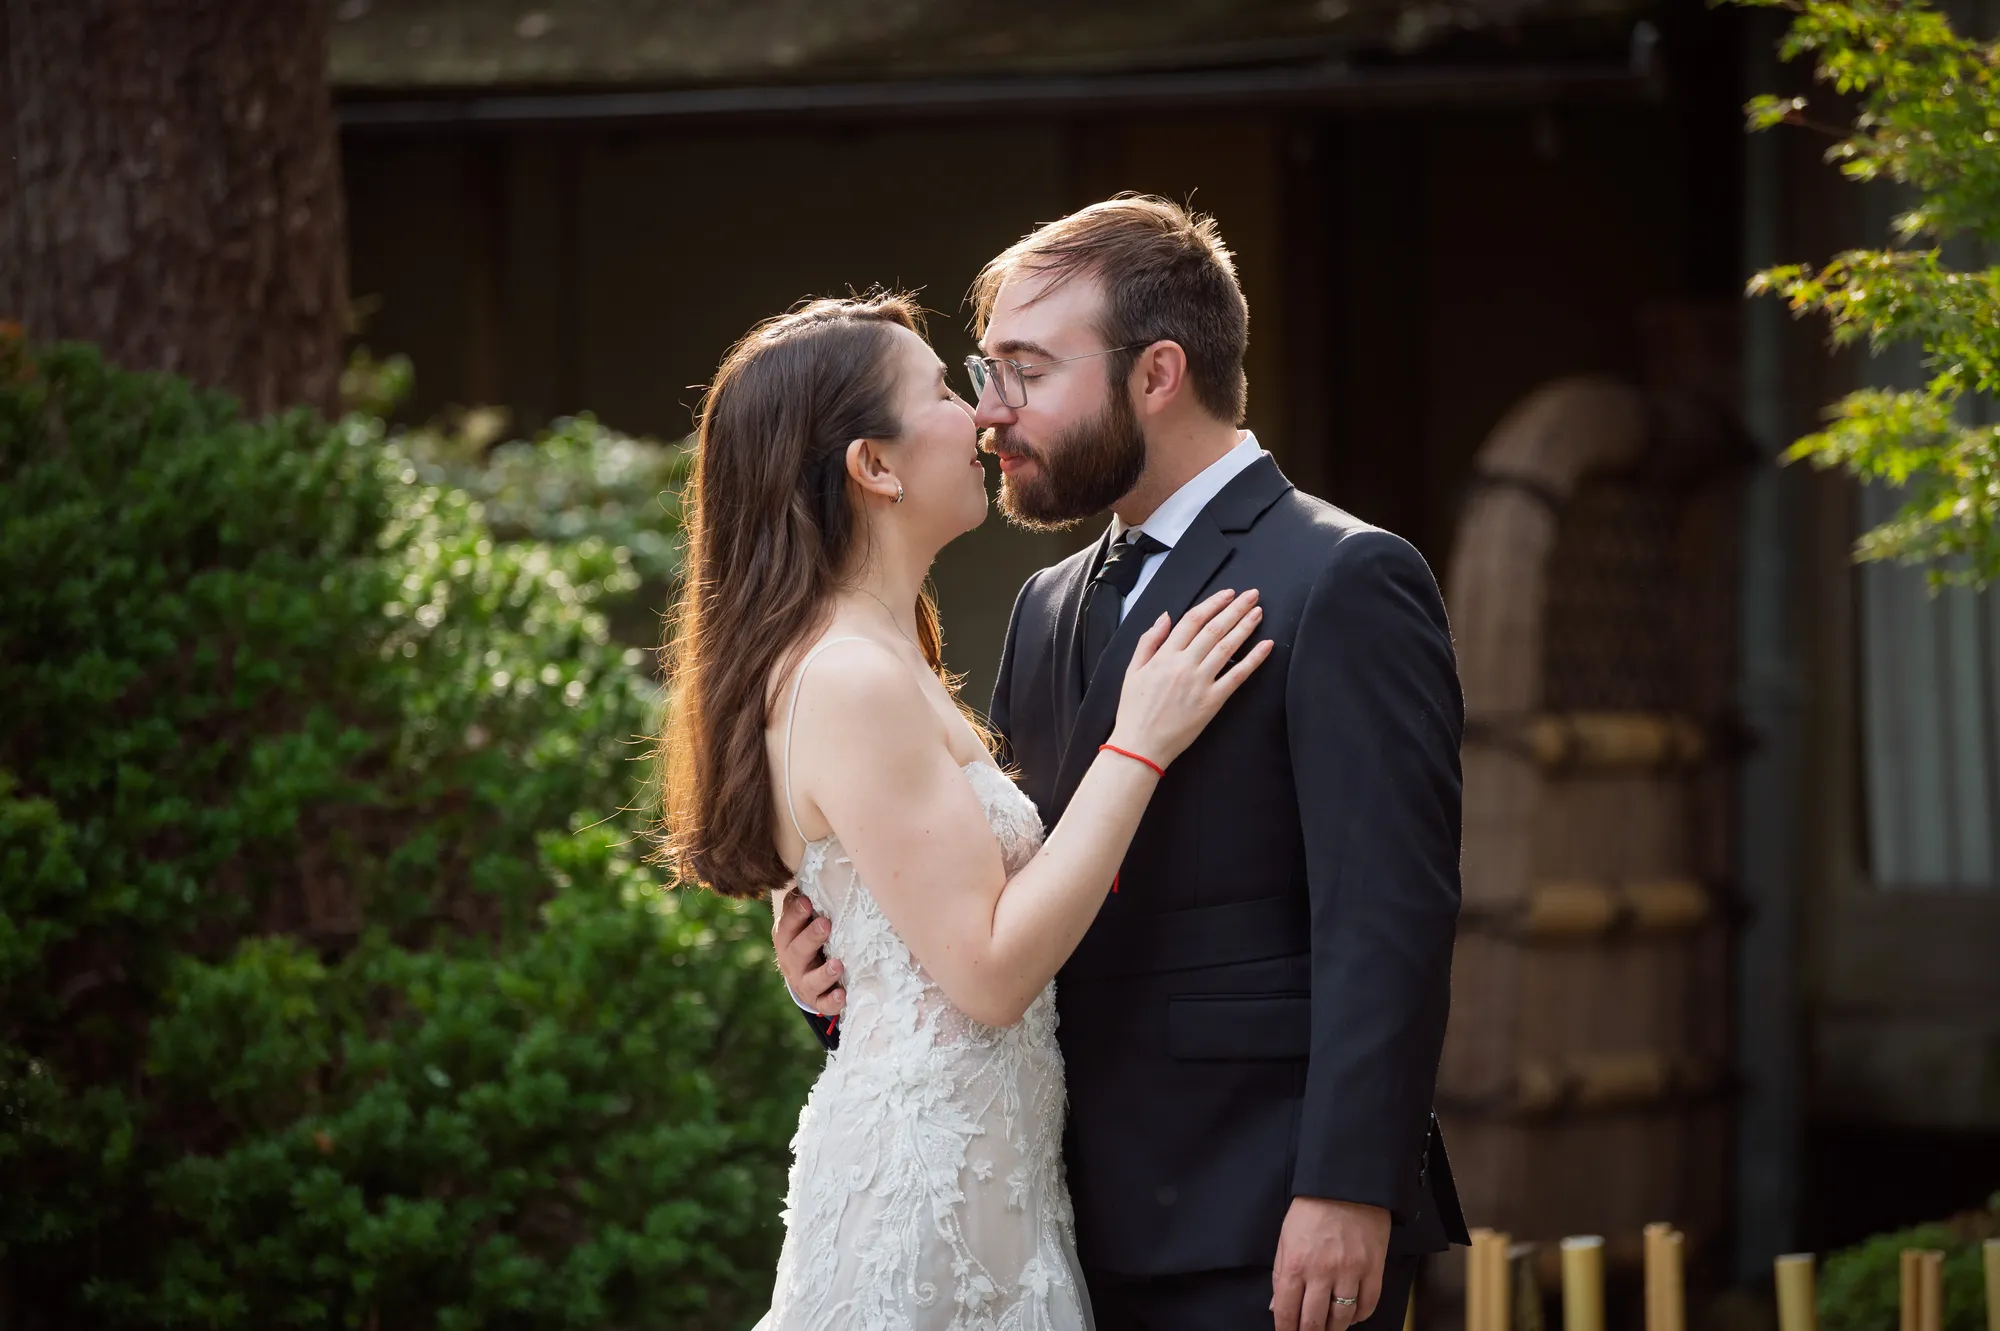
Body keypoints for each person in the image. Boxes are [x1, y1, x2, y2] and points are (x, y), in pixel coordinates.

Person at [777, 196, 1469, 1330]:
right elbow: (998, 902)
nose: (992, 413)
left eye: (1027, 370)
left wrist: (1345, 1182)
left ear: (1156, 373)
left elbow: (1387, 914)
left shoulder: (1341, 578)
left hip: (1261, 1210)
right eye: (981, 371)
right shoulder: (1047, 607)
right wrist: (843, 977)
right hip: (1052, 1211)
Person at [658, 292, 1273, 1330]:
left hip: (993, 1175)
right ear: (874, 465)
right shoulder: (850, 675)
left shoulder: (883, 656)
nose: (983, 416)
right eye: (946, 390)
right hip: (933, 1196)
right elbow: (986, 970)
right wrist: (1137, 744)